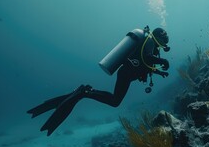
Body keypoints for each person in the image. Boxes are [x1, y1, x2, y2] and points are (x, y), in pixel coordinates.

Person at [27, 26, 170, 136]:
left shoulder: (150, 44)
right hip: (126, 73)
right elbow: (146, 58)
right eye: (164, 40)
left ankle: (86, 91)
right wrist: (162, 60)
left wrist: (159, 72)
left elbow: (144, 64)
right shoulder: (150, 42)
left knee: (115, 100)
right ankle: (85, 91)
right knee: (115, 101)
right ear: (159, 37)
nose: (165, 43)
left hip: (128, 73)